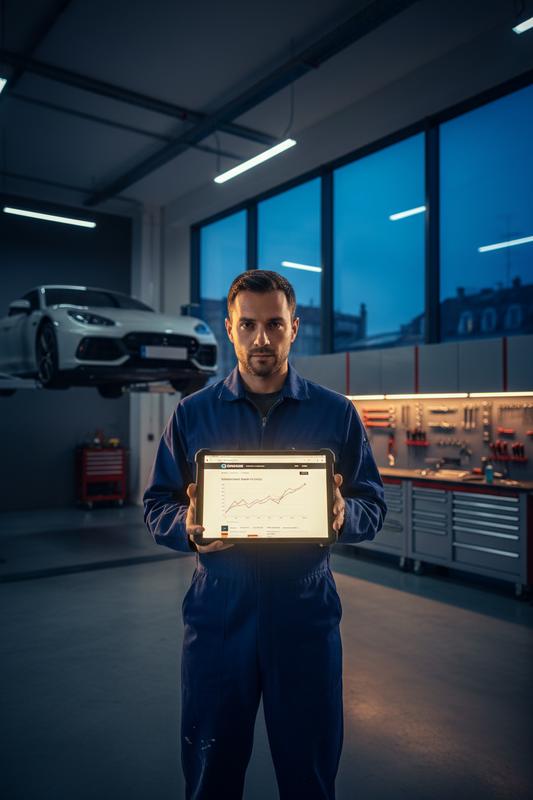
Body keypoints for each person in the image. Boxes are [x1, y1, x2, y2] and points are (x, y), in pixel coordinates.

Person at [143, 270, 386, 800]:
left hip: (305, 614)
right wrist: (186, 527)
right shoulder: (193, 413)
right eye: (248, 324)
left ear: (293, 328)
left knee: (310, 776)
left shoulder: (336, 413)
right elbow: (157, 504)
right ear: (229, 329)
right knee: (210, 773)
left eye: (275, 324)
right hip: (218, 615)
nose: (261, 338)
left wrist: (344, 514)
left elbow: (373, 505)